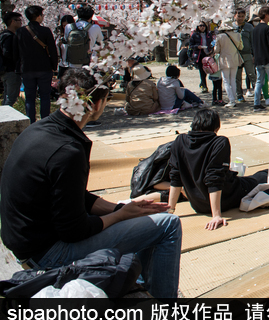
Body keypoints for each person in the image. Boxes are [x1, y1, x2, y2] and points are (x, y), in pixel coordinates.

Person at [0, 69, 182, 298]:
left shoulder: (40, 129)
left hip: (26, 243)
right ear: (96, 105)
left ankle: (140, 287)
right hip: (47, 254)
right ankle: (165, 309)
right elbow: (74, 230)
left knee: (141, 218)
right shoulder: (68, 151)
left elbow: (73, 195)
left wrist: (119, 208)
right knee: (168, 225)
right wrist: (120, 216)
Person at [167, 108, 269, 229]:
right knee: (261, 177)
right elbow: (214, 178)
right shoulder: (219, 142)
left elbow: (175, 176)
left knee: (249, 178)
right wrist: (216, 215)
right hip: (225, 199)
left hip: (198, 204)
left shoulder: (179, 141)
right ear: (216, 127)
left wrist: (170, 209)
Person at [16, 5, 58, 124]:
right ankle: (44, 121)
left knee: (29, 97)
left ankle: (31, 122)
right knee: (45, 96)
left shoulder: (20, 31)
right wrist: (54, 66)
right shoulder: (45, 31)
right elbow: (53, 50)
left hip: (27, 68)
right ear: (39, 16)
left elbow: (16, 51)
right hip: (44, 68)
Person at [64, 5, 103, 72]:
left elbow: (65, 39)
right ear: (91, 17)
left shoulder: (68, 27)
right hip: (88, 61)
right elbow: (100, 40)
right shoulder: (95, 27)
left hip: (72, 61)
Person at [0, 11, 22, 106]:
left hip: (4, 70)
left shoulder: (2, 35)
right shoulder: (10, 37)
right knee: (11, 98)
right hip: (11, 70)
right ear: (13, 21)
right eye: (19, 20)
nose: (21, 23)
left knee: (7, 96)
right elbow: (7, 53)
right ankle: (5, 119)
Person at [234, 9, 255, 102]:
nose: (241, 18)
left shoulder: (249, 27)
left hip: (247, 54)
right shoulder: (231, 26)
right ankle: (239, 95)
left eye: (242, 16)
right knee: (237, 76)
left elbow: (253, 41)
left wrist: (254, 54)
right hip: (236, 54)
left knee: (251, 74)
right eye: (239, 16)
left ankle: (258, 92)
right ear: (235, 16)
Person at [189, 21, 214, 94]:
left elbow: (212, 43)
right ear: (197, 27)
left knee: (207, 70)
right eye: (200, 26)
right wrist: (197, 47)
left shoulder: (208, 34)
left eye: (203, 26)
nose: (202, 27)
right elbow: (191, 46)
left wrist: (212, 50)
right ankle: (204, 86)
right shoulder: (194, 35)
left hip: (207, 53)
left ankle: (202, 83)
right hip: (199, 54)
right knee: (201, 70)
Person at [55, 14, 75, 79]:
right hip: (62, 65)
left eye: (67, 25)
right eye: (64, 26)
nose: (65, 28)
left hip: (73, 65)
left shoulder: (77, 37)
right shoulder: (60, 37)